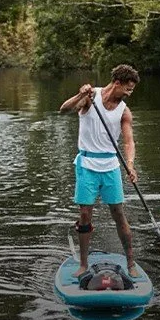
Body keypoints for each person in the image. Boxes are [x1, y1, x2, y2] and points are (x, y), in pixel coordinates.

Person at [59, 64, 141, 278]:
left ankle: (130, 262)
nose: (129, 93)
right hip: (87, 165)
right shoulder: (91, 97)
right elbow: (63, 110)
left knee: (118, 213)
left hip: (111, 166)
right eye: (128, 89)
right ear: (117, 83)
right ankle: (83, 264)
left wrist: (130, 165)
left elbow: (129, 141)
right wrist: (80, 94)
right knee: (85, 214)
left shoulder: (124, 110)